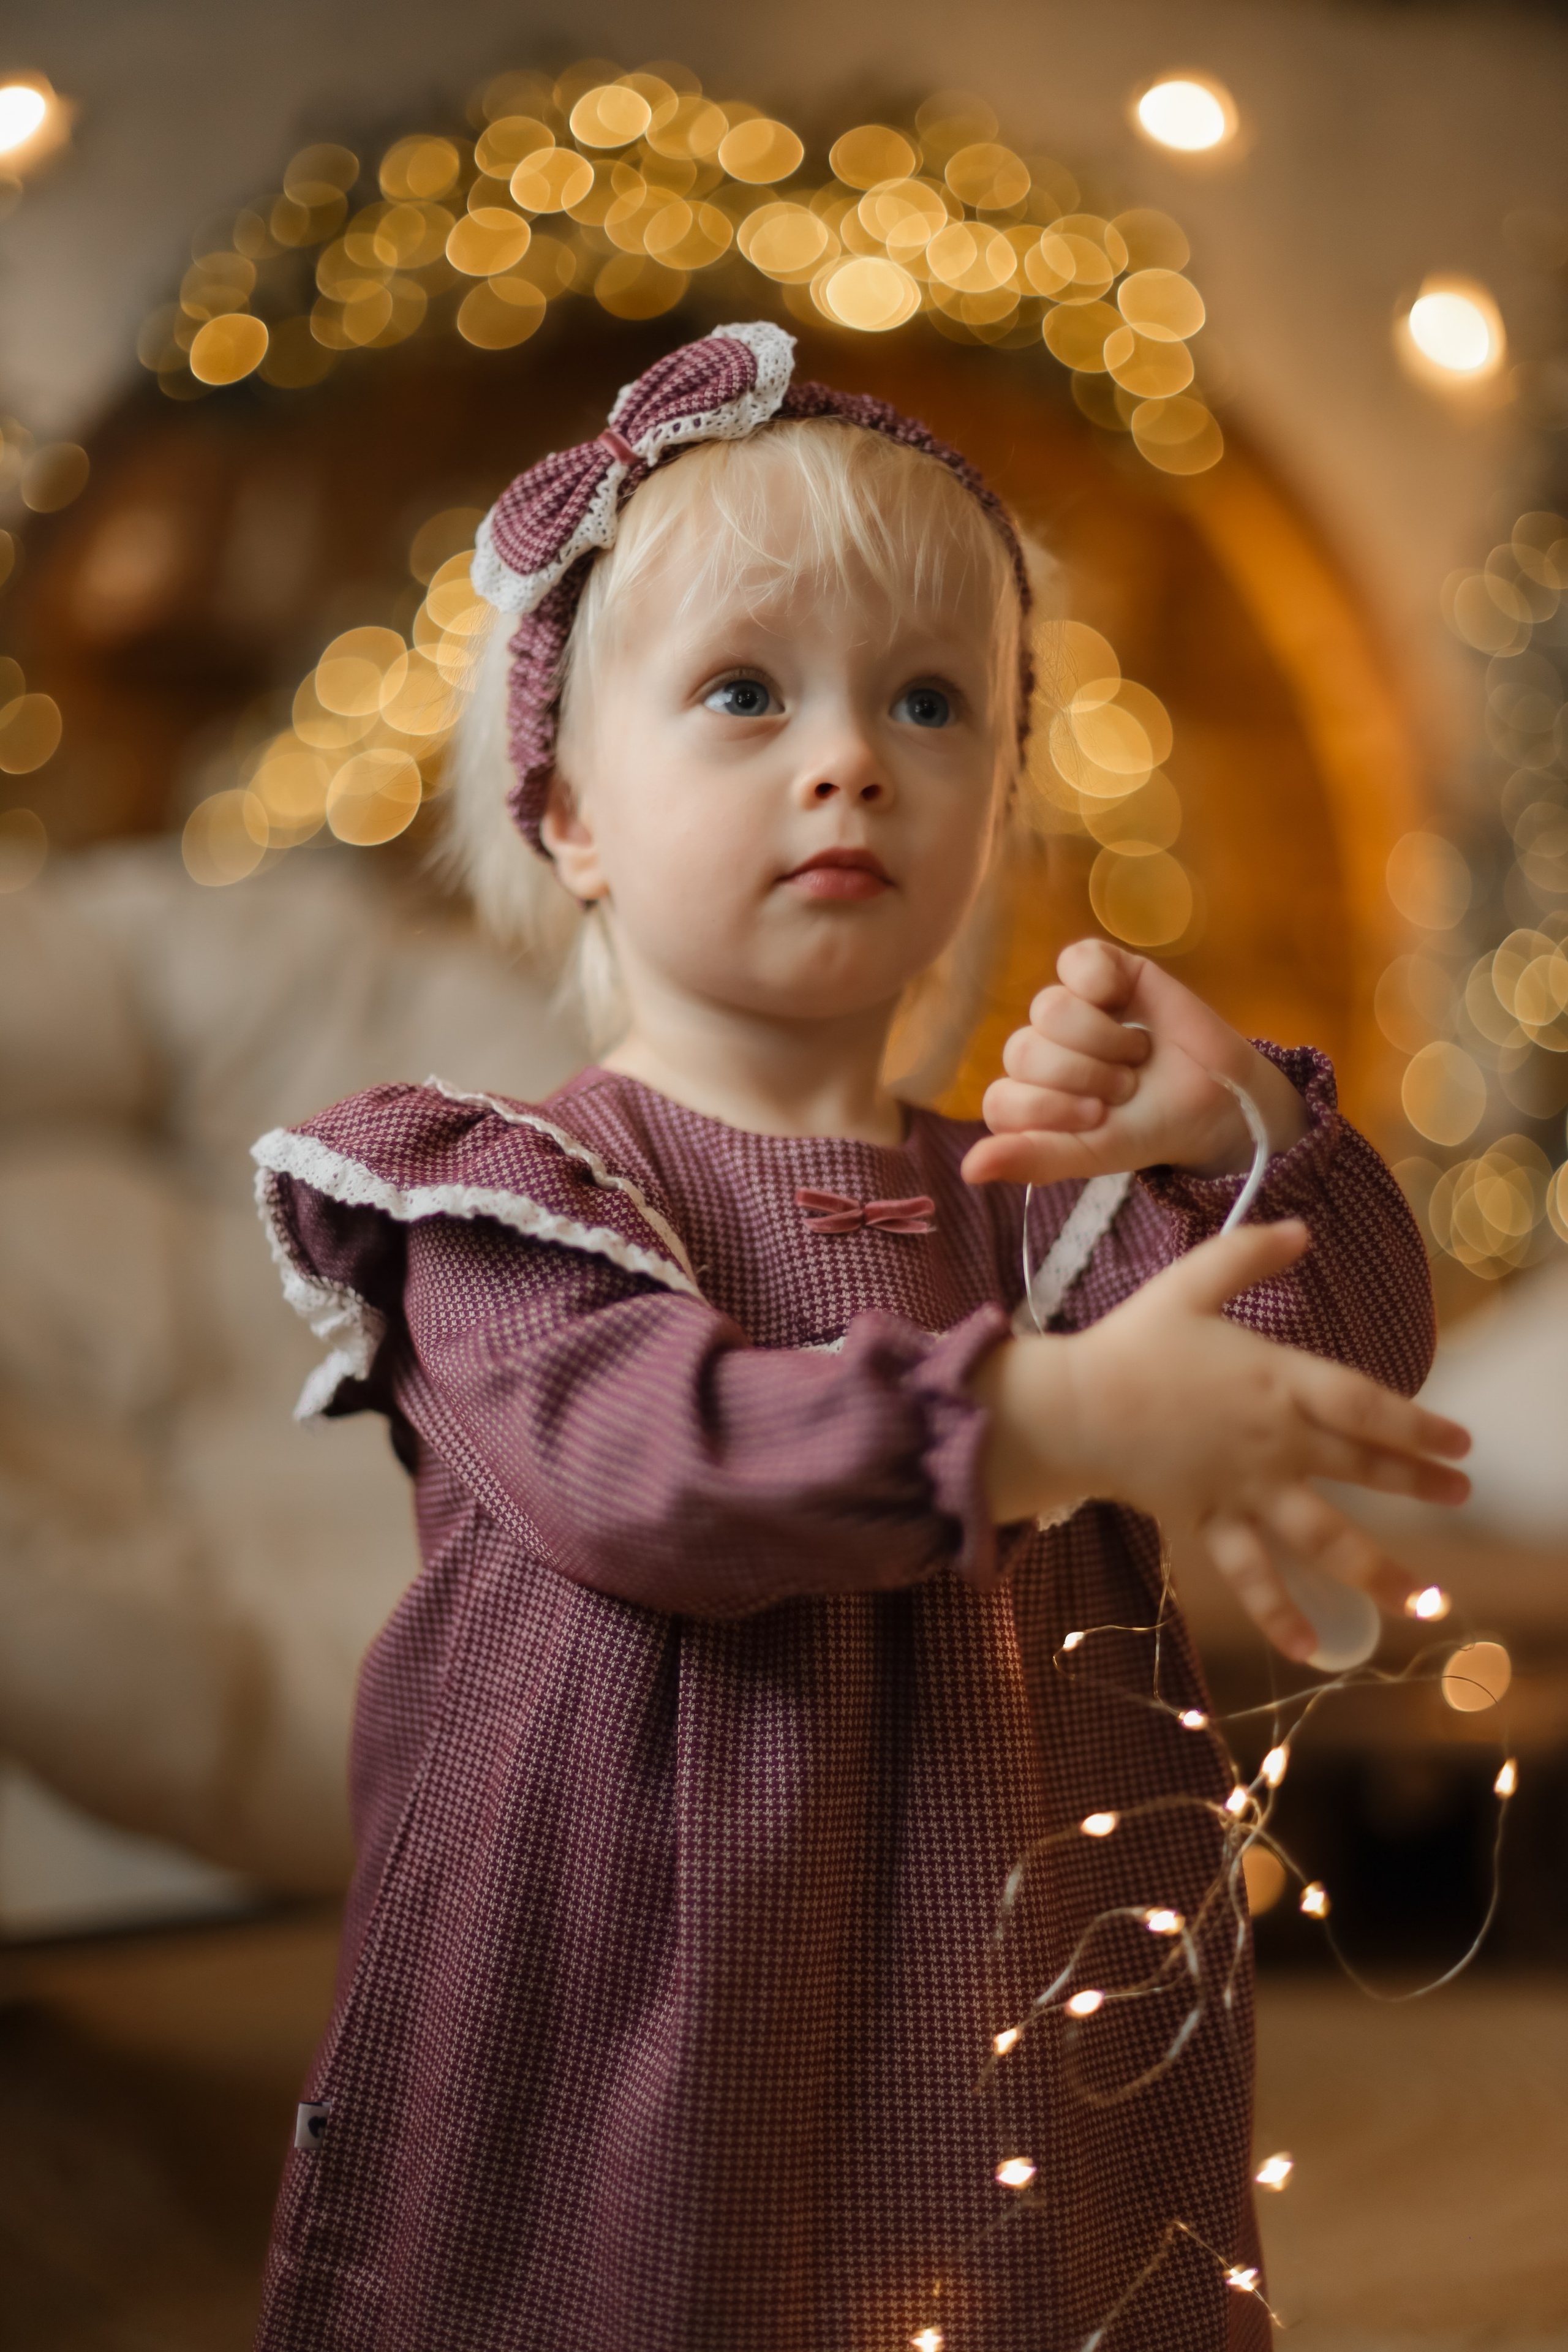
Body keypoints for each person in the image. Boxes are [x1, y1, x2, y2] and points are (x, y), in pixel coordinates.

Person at [251, 323, 1468, 2352]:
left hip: (1001, 1969)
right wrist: (1062, 1409)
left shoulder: (1030, 1198)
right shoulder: (506, 1202)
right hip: (639, 1981)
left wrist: (1243, 1127)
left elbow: (1345, 1357)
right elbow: (662, 1472)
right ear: (570, 812)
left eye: (930, 701)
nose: (852, 759)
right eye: (747, 693)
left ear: (996, 800)